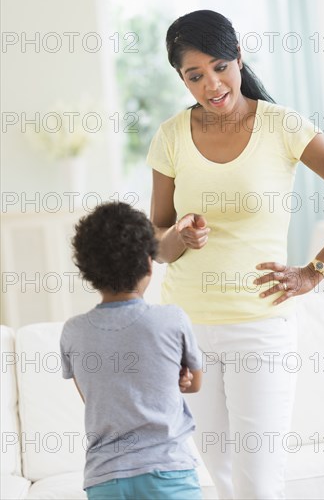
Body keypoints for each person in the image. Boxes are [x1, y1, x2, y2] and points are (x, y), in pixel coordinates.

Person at [145, 9, 324, 499]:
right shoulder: (170, 136)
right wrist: (180, 236)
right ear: (181, 78)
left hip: (260, 329)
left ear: (239, 57)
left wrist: (314, 273)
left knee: (259, 483)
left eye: (220, 66)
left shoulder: (282, 126)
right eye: (194, 75)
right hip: (186, 330)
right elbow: (157, 242)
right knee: (221, 479)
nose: (212, 84)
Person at [59, 201, 203, 500]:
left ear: (88, 271)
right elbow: (194, 383)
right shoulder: (171, 319)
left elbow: (93, 395)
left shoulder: (73, 331)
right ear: (150, 263)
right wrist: (177, 378)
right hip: (168, 471)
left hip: (105, 479)